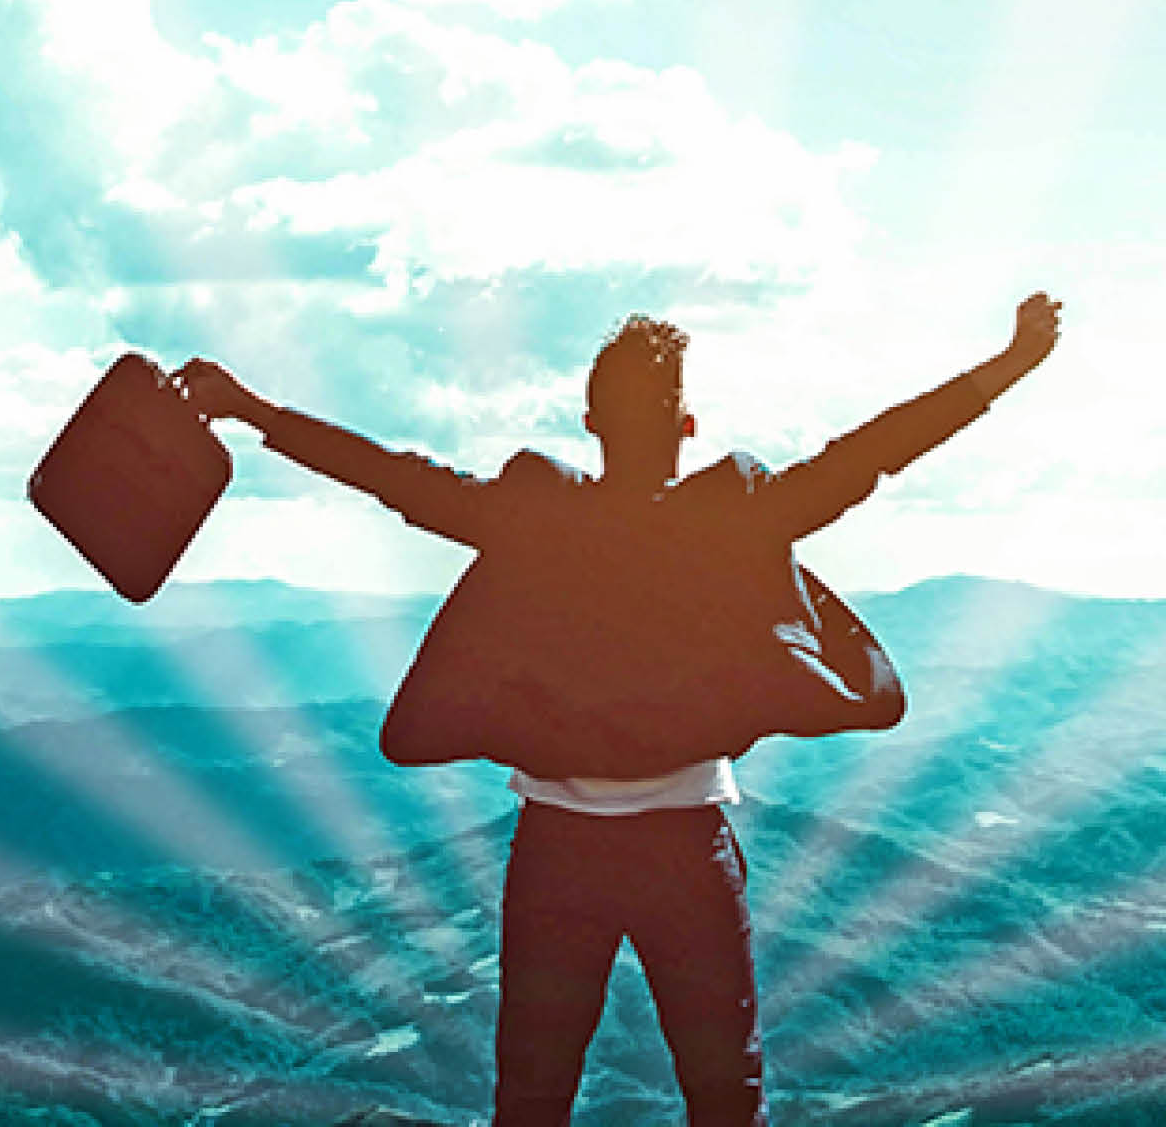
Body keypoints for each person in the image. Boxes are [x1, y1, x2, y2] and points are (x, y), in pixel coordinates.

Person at [174, 292, 1062, 1126]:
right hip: (689, 850)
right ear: (686, 425)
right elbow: (877, 451)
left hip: (557, 850)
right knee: (725, 1097)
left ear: (590, 424)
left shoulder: (532, 518)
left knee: (532, 1096)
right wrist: (1012, 362)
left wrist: (251, 408)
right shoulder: (736, 519)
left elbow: (393, 477)